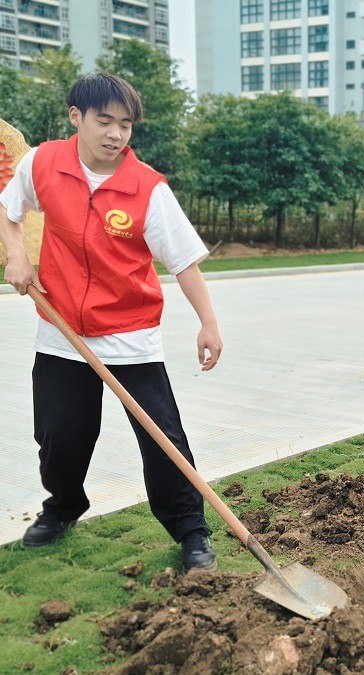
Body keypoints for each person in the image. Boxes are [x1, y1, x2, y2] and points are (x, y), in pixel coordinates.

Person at [0, 73, 223, 571]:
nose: (116, 134)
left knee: (163, 441)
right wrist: (16, 255)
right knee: (59, 436)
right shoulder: (43, 163)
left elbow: (184, 262)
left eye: (125, 124)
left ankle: (191, 530)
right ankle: (63, 507)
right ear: (76, 117)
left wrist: (208, 323)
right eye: (105, 121)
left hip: (130, 335)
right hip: (61, 331)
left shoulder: (147, 189)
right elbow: (8, 210)